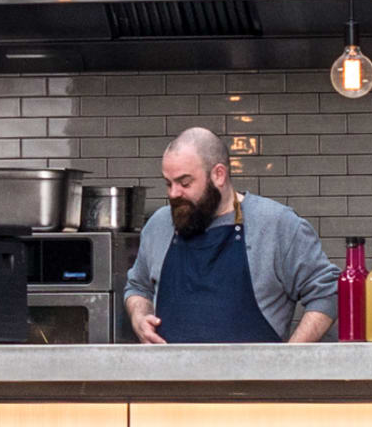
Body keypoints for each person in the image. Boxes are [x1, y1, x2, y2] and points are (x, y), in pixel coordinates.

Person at [123, 126, 337, 345]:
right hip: (170, 376)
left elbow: (328, 293)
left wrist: (287, 359)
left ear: (219, 175)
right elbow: (138, 287)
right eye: (168, 183)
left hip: (254, 377)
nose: (173, 193)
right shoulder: (159, 225)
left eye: (185, 183)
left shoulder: (276, 224)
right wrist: (139, 317)